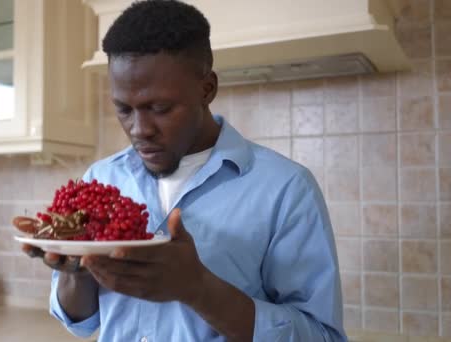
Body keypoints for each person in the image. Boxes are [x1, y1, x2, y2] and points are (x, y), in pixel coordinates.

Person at [24, 1, 347, 341]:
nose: (139, 129)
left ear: (207, 89)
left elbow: (322, 336)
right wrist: (77, 270)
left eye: (160, 108)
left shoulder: (286, 189)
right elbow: (79, 321)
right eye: (123, 109)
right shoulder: (101, 179)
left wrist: (198, 288)